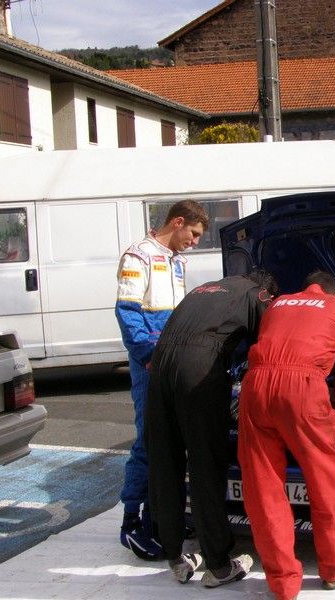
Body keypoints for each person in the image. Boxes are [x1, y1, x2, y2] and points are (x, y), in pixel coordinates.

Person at [237, 271, 335, 600]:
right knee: (325, 481)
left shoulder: (278, 303)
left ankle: (282, 583)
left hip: (255, 387)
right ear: (334, 294)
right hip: (302, 389)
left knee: (262, 487)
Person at [146, 270, 278, 585]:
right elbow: (271, 343)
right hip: (199, 369)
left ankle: (174, 555)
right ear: (268, 291)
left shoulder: (205, 288)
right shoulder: (256, 294)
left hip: (160, 367)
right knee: (205, 462)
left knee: (165, 460)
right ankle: (218, 565)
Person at [115, 199, 208, 560]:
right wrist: (148, 355)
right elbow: (127, 311)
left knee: (172, 441)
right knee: (148, 441)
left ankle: (161, 518)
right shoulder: (138, 255)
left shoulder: (177, 261)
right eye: (194, 234)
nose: (195, 242)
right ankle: (131, 524)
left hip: (172, 358)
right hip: (150, 362)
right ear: (178, 222)